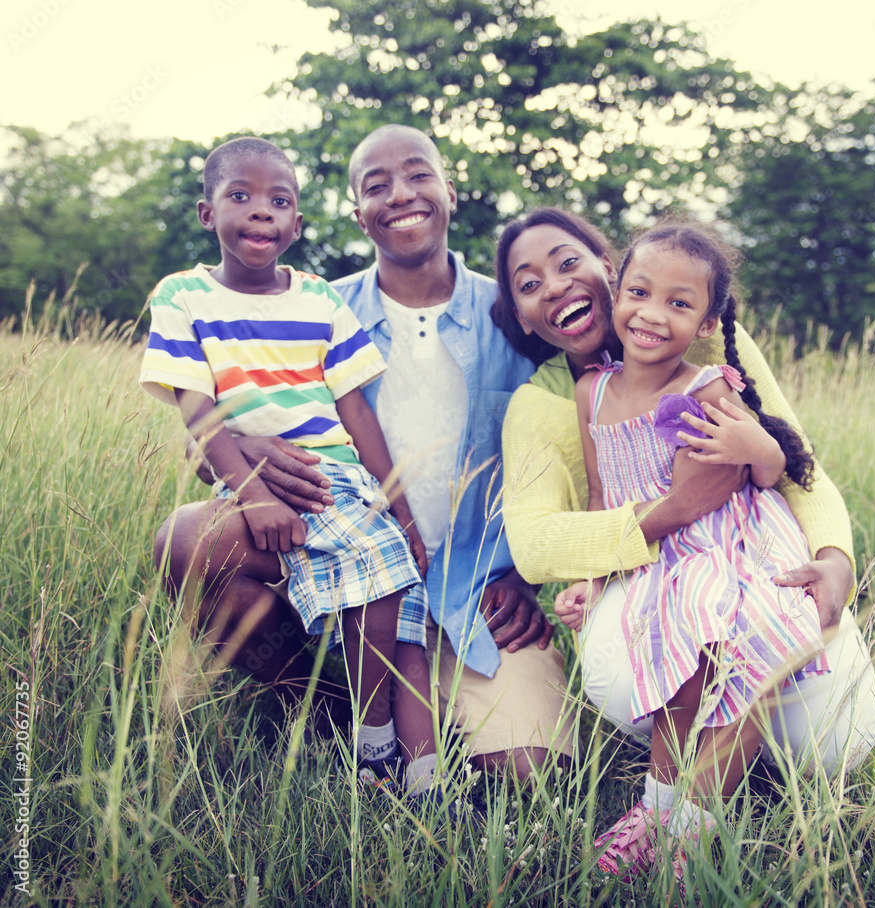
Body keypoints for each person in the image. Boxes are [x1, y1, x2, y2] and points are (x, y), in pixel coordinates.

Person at [154, 127, 576, 782]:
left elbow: (587, 429)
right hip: (336, 556)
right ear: (358, 214)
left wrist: (528, 576)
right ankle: (324, 708)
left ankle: (425, 719)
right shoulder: (317, 305)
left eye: (418, 175)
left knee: (529, 773)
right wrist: (240, 445)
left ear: (449, 192)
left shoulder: (511, 308)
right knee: (188, 537)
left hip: (471, 599)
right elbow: (203, 431)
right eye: (377, 186)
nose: (400, 195)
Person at [492, 209, 875, 874]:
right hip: (661, 561)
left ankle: (692, 818)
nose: (554, 287)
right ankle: (664, 805)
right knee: (691, 626)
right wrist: (634, 542)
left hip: (742, 546)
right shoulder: (574, 396)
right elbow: (562, 523)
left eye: (567, 262)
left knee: (800, 697)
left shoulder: (710, 368)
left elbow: (792, 467)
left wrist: (834, 559)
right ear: (522, 318)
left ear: (607, 271)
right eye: (528, 284)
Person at [141, 136, 448, 798]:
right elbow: (196, 408)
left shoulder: (317, 299)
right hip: (256, 487)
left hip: (339, 478)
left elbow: (355, 411)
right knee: (382, 584)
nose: (261, 213)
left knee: (394, 604)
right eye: (240, 197)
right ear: (205, 213)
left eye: (279, 201)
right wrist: (251, 493)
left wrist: (396, 503)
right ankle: (360, 737)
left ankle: (392, 754)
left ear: (297, 224)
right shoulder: (184, 296)